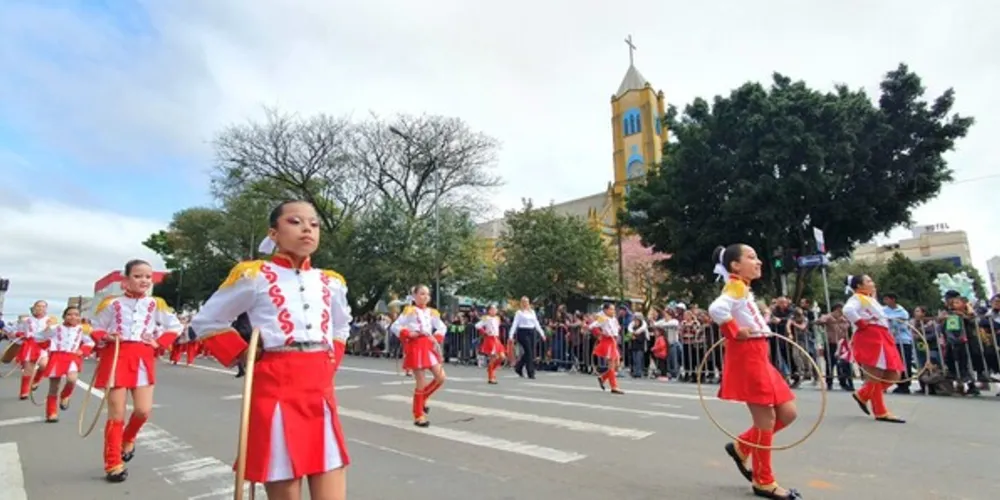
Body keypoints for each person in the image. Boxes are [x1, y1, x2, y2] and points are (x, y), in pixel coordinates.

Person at [191, 200, 351, 500]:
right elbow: (207, 320)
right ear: (274, 233)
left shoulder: (330, 282)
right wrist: (244, 356)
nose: (307, 229)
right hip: (275, 384)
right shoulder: (255, 275)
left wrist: (332, 361)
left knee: (331, 478)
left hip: (320, 388)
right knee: (285, 485)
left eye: (314, 224)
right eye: (295, 221)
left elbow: (341, 326)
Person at [708, 244, 801, 500]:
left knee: (788, 413)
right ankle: (764, 480)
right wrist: (734, 330)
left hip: (759, 354)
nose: (758, 261)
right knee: (766, 419)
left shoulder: (742, 287)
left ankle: (742, 447)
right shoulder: (736, 285)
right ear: (735, 265)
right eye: (751, 257)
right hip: (748, 355)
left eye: (757, 256)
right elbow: (717, 310)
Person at [89, 259, 182, 482]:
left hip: (143, 357)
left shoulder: (155, 304)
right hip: (116, 356)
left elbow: (175, 326)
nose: (144, 280)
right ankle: (113, 463)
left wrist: (158, 343)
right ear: (125, 280)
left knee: (142, 411)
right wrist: (106, 337)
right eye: (138, 276)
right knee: (116, 413)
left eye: (148, 277)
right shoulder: (112, 304)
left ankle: (128, 438)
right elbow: (96, 327)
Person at [843, 275, 906, 423]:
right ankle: (880, 410)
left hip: (882, 336)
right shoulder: (857, 298)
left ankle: (864, 394)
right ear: (859, 286)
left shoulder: (870, 299)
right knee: (876, 375)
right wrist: (861, 324)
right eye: (869, 281)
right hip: (872, 337)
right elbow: (848, 310)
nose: (873, 283)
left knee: (893, 374)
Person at [390, 284, 447, 427]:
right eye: (421, 293)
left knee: (440, 377)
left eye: (427, 294)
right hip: (415, 346)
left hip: (429, 344)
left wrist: (436, 337)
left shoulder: (432, 312)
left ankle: (422, 400)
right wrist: (409, 333)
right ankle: (418, 414)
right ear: (414, 296)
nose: (425, 297)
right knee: (421, 381)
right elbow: (395, 326)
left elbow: (442, 327)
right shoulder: (409, 311)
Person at [39, 306, 94, 422]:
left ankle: (65, 395)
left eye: (76, 314)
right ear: (64, 316)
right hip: (57, 357)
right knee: (54, 386)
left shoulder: (82, 329)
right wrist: (46, 339)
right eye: (69, 314)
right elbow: (39, 337)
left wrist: (82, 350)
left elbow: (90, 342)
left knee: (72, 379)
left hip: (72, 356)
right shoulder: (55, 328)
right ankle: (51, 412)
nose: (73, 317)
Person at [12, 301, 57, 400]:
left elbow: (54, 333)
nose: (40, 308)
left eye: (43, 306)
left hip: (43, 345)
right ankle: (24, 391)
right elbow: (15, 330)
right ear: (34, 307)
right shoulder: (26, 320)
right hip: (30, 345)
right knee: (28, 368)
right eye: (38, 306)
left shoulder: (50, 320)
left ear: (46, 308)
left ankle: (36, 380)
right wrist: (18, 334)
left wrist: (50, 329)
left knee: (44, 365)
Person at [590, 303, 624, 394]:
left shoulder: (614, 318)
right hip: (608, 341)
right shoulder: (603, 318)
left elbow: (616, 328)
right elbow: (593, 325)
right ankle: (614, 386)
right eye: (611, 309)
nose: (613, 311)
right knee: (612, 364)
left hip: (614, 341)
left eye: (613, 309)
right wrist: (601, 333)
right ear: (605, 310)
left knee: (617, 364)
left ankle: (603, 377)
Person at [509, 297, 545, 379]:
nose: (526, 304)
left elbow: (536, 323)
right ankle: (530, 372)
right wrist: (511, 335)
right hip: (522, 332)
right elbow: (515, 324)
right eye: (524, 302)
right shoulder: (519, 312)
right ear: (521, 303)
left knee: (530, 352)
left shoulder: (532, 312)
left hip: (532, 332)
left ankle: (518, 367)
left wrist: (542, 333)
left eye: (527, 302)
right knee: (529, 352)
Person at [475, 304, 505, 384]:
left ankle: (491, 369)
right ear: (489, 310)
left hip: (496, 338)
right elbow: (477, 325)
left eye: (495, 309)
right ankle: (491, 377)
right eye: (492, 309)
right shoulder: (486, 318)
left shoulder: (498, 318)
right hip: (490, 338)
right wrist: (484, 332)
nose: (494, 311)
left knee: (502, 357)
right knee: (493, 357)